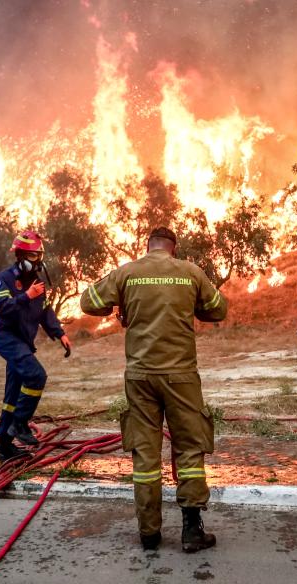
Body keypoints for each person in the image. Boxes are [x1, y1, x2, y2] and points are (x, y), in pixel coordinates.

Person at [80, 227, 226, 553]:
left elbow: (88, 301)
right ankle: (191, 530)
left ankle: (149, 533)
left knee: (145, 454)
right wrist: (191, 309)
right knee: (189, 449)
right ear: (173, 248)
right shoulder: (190, 271)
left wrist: (121, 309)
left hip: (140, 378)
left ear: (148, 247)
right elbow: (218, 309)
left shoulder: (129, 272)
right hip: (181, 377)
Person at [0, 231, 71, 460]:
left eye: (39, 256)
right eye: (33, 256)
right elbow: (4, 308)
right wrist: (26, 295)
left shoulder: (37, 283)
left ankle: (5, 448)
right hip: (7, 338)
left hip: (24, 343)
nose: (37, 261)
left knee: (12, 396)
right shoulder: (4, 278)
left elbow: (45, 311)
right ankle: (20, 423)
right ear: (21, 255)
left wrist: (60, 333)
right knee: (36, 376)